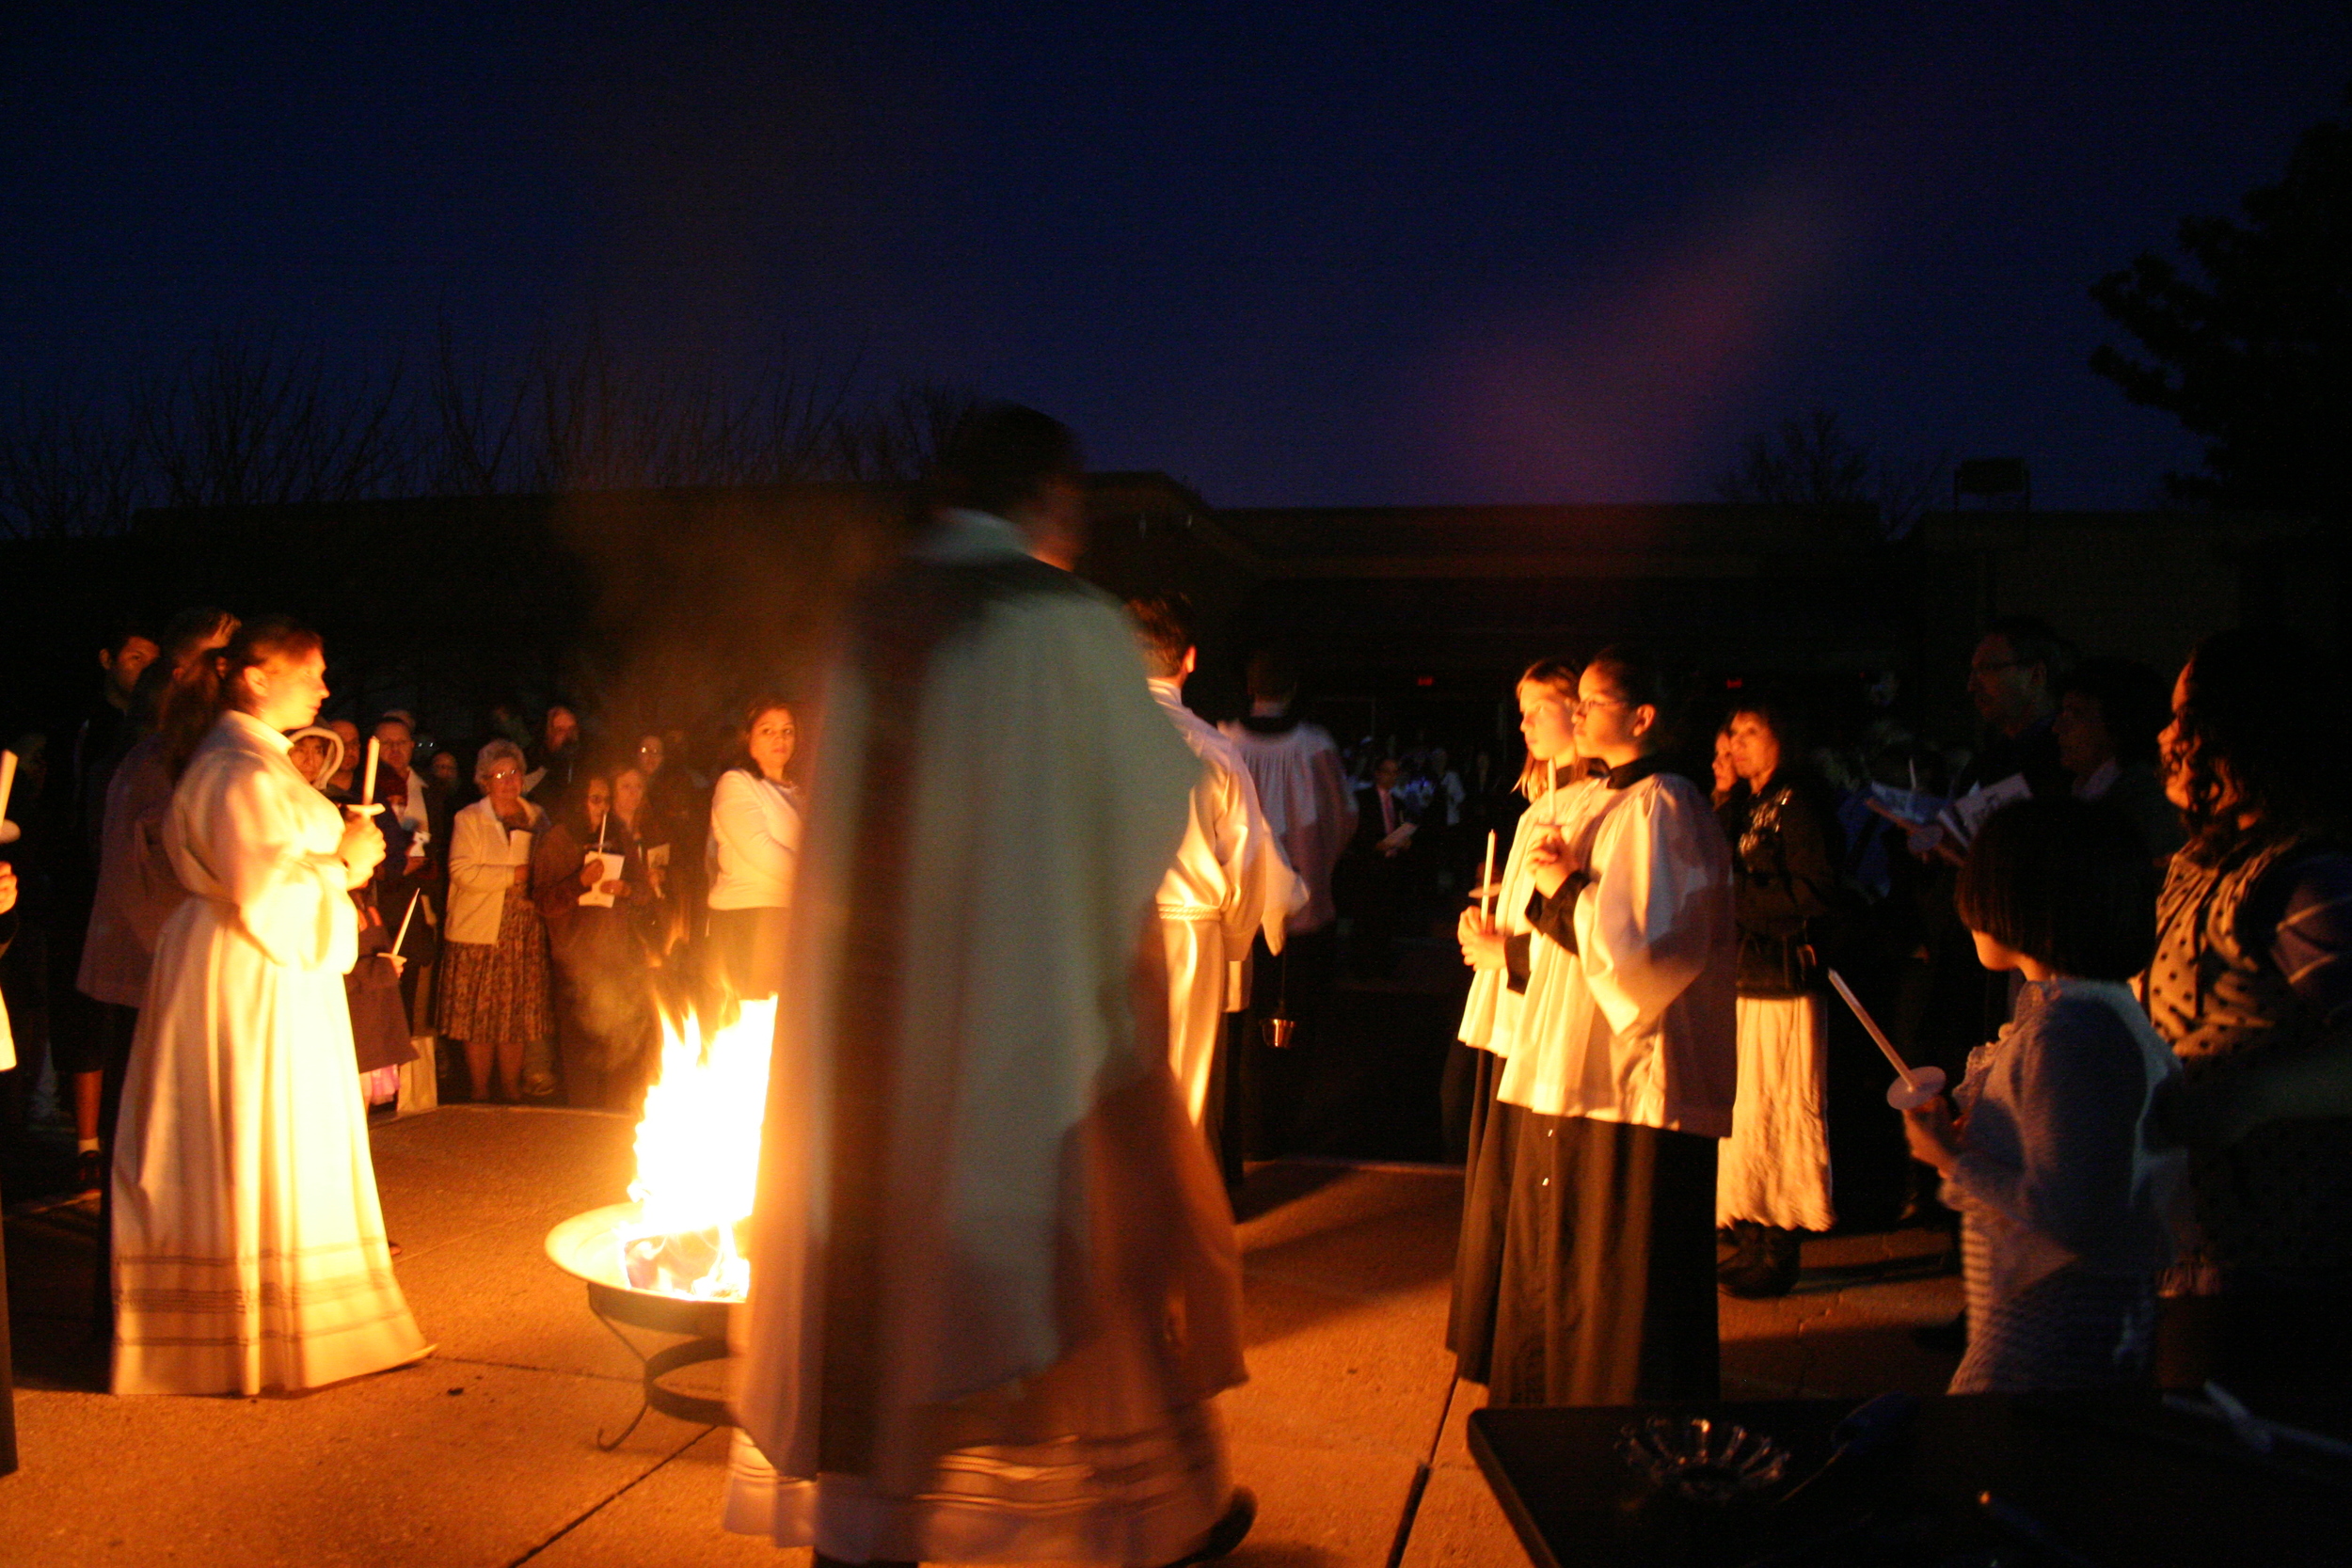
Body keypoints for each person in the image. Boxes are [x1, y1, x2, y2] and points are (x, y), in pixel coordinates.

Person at [724, 404, 1253, 1567]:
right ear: (1045, 500)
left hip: (869, 1040)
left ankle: (869, 1525)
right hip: (1019, 1015)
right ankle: (1146, 1513)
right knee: (1073, 1255)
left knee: (885, 1268)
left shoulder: (872, 614)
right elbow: (1142, 810)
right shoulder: (1060, 616)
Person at [111, 616, 428, 1395]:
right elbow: (269, 897)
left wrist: (336, 860)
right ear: (256, 677)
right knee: (254, 1125)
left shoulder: (255, 760)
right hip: (251, 974)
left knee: (277, 1130)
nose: (325, 687)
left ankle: (299, 1323)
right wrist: (343, 866)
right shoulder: (238, 770)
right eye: (312, 671)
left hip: (261, 970)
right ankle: (242, 1330)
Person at [1470, 645, 1737, 1406]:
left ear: (1644, 716)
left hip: (1625, 1076)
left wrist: (1561, 886)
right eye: (1576, 700)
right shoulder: (1610, 800)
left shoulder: (1665, 805)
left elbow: (1648, 953)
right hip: (1569, 1053)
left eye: (1594, 700)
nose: (1577, 713)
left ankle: (1611, 1411)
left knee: (1616, 1263)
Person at [1902, 799, 2181, 1393]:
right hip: (2061, 1328)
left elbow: (2071, 1215)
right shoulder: (2089, 1015)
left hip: (2048, 1341)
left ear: (2021, 898)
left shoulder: (2072, 1035)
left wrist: (1952, 1160)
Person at [2139, 629, 2352, 1394]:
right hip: (2192, 1251)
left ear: (2246, 732)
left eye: (2185, 715)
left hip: (2275, 1269)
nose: (2166, 736)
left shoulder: (2306, 879)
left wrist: (2251, 1098)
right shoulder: (2198, 870)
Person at [1449, 659, 1609, 1388]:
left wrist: (1506, 949)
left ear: (1576, 712)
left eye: (1533, 708)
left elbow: (1581, 928)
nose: (1522, 724)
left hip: (1536, 1014)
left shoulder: (1595, 804)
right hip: (1505, 1009)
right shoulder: (1541, 802)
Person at [1125, 593, 1301, 1177]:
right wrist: (1231, 948)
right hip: (1191, 931)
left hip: (1106, 928)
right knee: (1183, 1087)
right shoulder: (1215, 749)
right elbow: (1247, 858)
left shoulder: (1085, 742)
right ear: (1190, 660)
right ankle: (1170, 1231)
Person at [1712, 698, 1852, 1298]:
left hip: (1784, 978)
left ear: (1782, 739)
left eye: (1752, 731)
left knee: (1779, 1106)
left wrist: (1733, 893)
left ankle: (1777, 1245)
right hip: (1748, 974)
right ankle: (1749, 1236)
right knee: (1747, 1112)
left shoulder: (1798, 803)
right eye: (1733, 732)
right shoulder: (1750, 804)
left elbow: (1815, 892)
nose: (1738, 743)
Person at [532, 768, 657, 1111]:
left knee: (621, 1042)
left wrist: (627, 888)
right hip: (575, 959)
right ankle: (582, 1120)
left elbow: (644, 892)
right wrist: (579, 882)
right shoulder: (558, 840)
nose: (602, 807)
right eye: (595, 799)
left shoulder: (617, 833)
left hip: (617, 955)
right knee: (580, 1050)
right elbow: (544, 901)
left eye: (606, 800)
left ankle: (616, 1122)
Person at [438, 739, 555, 1101]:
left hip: (524, 931)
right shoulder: (470, 818)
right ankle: (478, 1092)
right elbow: (462, 872)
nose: (507, 781)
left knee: (514, 1019)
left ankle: (511, 1090)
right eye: (498, 775)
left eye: (514, 773)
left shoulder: (538, 817)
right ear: (484, 781)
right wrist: (514, 874)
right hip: (480, 930)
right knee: (480, 1019)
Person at [705, 698, 802, 1005]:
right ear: (748, 740)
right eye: (767, 730)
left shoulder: (800, 793)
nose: (780, 738)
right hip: (747, 922)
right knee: (751, 1022)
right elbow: (760, 849)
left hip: (790, 918)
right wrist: (816, 878)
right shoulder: (736, 783)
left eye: (787, 731)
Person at [2053, 657, 2184, 863]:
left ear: (2118, 722)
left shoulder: (2147, 809)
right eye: (2062, 712)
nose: (2058, 727)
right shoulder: (2075, 794)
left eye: (2076, 713)